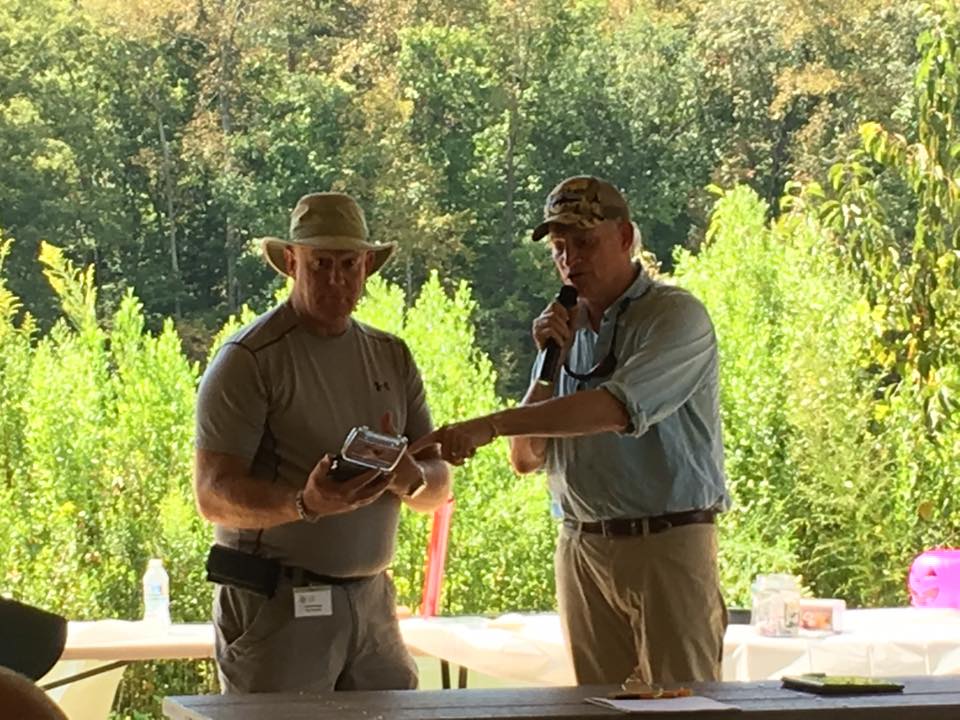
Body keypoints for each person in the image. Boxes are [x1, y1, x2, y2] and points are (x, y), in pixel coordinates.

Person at [418, 176, 729, 686]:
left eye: (584, 243)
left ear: (626, 237)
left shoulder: (675, 316)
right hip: (581, 545)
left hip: (665, 542)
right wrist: (548, 364)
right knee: (594, 705)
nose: (570, 260)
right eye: (560, 248)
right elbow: (526, 457)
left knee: (680, 703)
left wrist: (490, 424)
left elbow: (613, 409)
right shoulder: (567, 329)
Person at [193, 192, 451, 694]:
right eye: (321, 264)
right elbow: (212, 494)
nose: (336, 279)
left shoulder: (391, 355)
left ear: (367, 267)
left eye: (348, 264)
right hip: (278, 604)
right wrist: (303, 503)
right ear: (291, 263)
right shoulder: (249, 359)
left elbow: (438, 485)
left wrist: (409, 477)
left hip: (372, 602)